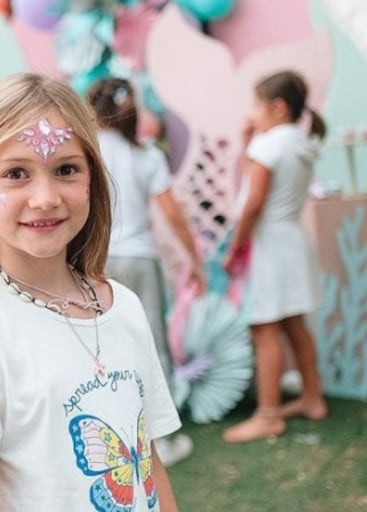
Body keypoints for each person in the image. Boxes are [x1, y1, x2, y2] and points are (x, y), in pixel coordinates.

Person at [0, 73, 180, 511]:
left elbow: (147, 464)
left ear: (91, 180)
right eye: (16, 173)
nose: (45, 197)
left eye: (66, 169)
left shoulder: (125, 308)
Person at [88, 77, 204, 466]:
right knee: (151, 344)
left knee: (98, 347)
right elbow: (172, 213)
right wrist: (194, 259)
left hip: (95, 261)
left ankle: (109, 434)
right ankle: (163, 441)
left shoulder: (84, 155)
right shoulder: (146, 155)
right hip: (139, 258)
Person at [222, 70, 328, 443]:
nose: (254, 112)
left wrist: (236, 250)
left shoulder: (268, 146)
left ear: (278, 107)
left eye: (257, 105)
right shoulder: (299, 141)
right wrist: (250, 141)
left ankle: (268, 415)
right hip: (292, 242)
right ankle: (313, 398)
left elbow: (252, 205)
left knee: (264, 327)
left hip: (269, 245)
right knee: (294, 324)